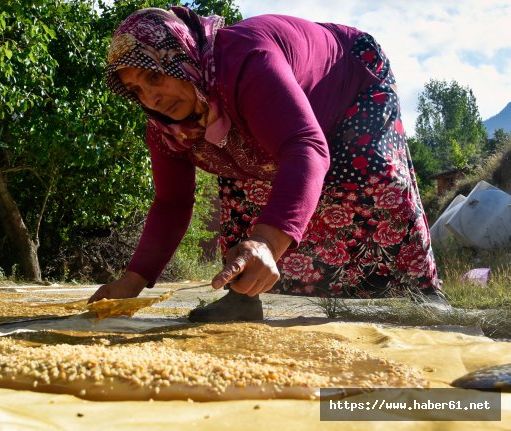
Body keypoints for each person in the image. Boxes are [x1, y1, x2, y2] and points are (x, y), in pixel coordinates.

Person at [88, 6, 442, 322]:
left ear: (181, 55)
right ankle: (243, 295)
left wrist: (267, 243)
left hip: (349, 77)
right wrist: (132, 280)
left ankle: (423, 294)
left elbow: (305, 147)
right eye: (136, 90)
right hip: (276, 120)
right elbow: (172, 202)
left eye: (154, 76)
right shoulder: (166, 130)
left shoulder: (248, 62)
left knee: (370, 175)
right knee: (240, 175)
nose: (151, 98)